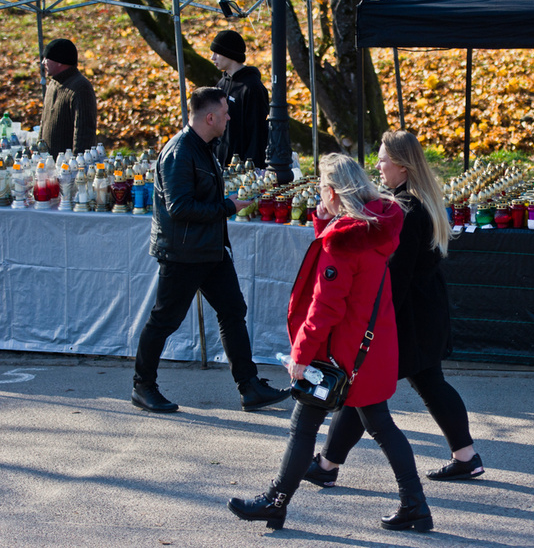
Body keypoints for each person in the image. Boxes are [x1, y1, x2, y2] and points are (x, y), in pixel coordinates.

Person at [228, 153, 433, 533]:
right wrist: (326, 221)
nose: (319, 193)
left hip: (340, 356)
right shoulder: (374, 228)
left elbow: (324, 307)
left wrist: (300, 356)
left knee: (305, 425)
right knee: (380, 427)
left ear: (334, 191)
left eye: (322, 187)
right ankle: (414, 504)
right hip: (367, 349)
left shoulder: (342, 243)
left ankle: (277, 502)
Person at [303, 131, 484, 489]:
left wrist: (372, 321)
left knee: (362, 389)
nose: (378, 166)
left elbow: (395, 274)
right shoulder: (416, 201)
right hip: (422, 311)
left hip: (406, 315)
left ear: (401, 164)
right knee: (430, 384)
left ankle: (327, 465)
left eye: (383, 159)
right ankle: (466, 457)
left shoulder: (405, 208)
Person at [132, 87, 289, 414]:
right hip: (184, 253)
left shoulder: (204, 148)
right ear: (210, 117)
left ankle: (249, 386)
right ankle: (142, 387)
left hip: (211, 251)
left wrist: (224, 207)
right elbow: (179, 208)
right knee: (165, 320)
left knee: (233, 310)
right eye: (225, 113)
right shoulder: (180, 152)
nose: (229, 118)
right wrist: (227, 206)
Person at [210, 31, 269, 169]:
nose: (212, 58)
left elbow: (257, 132)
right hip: (221, 165)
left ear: (229, 54)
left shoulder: (252, 88)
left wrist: (251, 167)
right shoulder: (221, 84)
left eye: (217, 53)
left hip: (243, 171)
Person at [39, 38, 97, 157]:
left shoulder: (80, 88)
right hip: (48, 164)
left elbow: (84, 132)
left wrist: (77, 165)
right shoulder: (53, 83)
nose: (43, 62)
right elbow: (44, 121)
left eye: (47, 58)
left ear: (60, 61)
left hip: (68, 169)